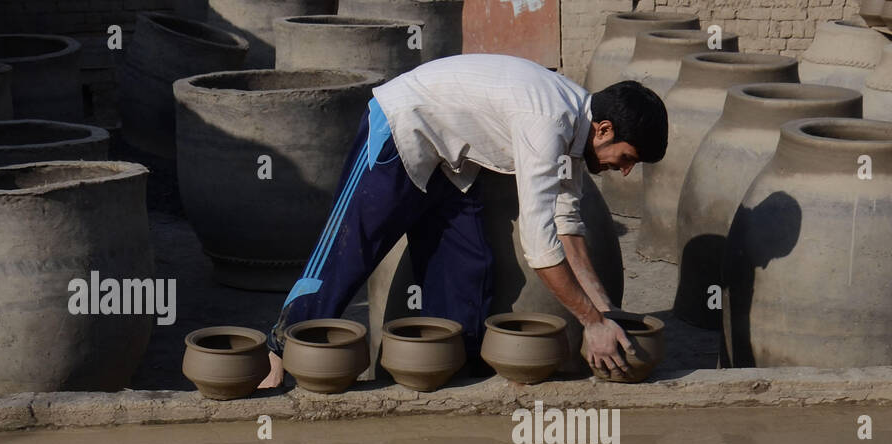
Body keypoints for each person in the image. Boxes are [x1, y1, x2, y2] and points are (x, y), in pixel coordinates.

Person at [260, 53, 668, 387]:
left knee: (468, 268)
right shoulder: (548, 122)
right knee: (349, 251)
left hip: (451, 161)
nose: (626, 170)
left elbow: (567, 223)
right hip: (403, 125)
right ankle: (279, 351)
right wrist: (590, 324)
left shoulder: (577, 124)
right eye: (628, 158)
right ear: (605, 129)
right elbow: (541, 247)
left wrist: (605, 309)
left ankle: (449, 374)